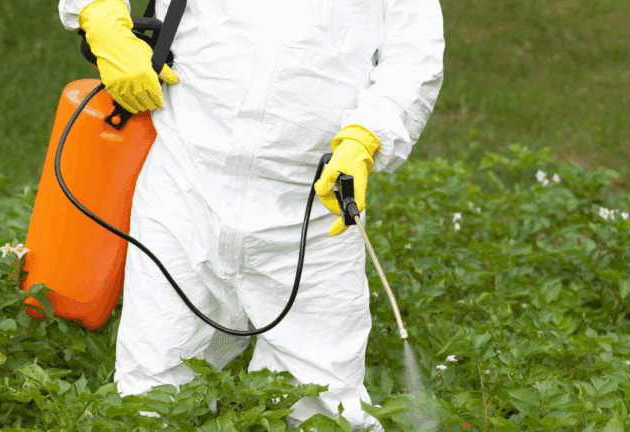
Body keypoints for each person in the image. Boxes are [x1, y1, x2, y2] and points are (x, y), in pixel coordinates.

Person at [59, 0, 444, 430]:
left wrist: (369, 132)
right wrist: (100, 14)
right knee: (152, 398)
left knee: (320, 408)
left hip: (311, 213)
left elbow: (415, 53)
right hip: (184, 185)